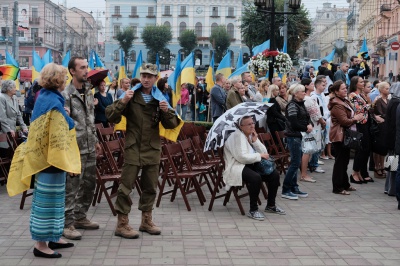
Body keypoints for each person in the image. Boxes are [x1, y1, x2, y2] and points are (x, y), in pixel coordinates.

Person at [6, 63, 81, 258]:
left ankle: (54, 237)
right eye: (64, 77)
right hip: (50, 160)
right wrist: (67, 116)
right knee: (46, 202)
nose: (66, 80)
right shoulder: (53, 101)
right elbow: (63, 127)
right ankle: (40, 245)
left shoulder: (47, 97)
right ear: (57, 80)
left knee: (56, 200)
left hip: (49, 158)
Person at [105, 63, 180, 239]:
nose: (146, 79)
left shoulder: (159, 98)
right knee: (125, 187)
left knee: (150, 187)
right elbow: (110, 115)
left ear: (155, 79)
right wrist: (123, 101)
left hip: (152, 149)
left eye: (150, 76)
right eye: (144, 76)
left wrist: (166, 111)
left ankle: (146, 221)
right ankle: (122, 224)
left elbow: (172, 125)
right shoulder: (131, 96)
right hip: (133, 148)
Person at [61, 57, 102, 240]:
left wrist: (95, 140)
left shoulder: (88, 91)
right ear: (72, 71)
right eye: (82, 67)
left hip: (89, 145)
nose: (87, 71)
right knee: (72, 187)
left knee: (89, 184)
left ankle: (80, 216)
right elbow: (63, 123)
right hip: (73, 148)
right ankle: (67, 224)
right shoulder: (66, 93)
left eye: (87, 67)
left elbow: (90, 120)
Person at [223, 115, 285, 220]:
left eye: (253, 123)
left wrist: (255, 141)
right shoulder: (237, 136)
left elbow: (264, 152)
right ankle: (253, 210)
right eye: (249, 124)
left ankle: (271, 205)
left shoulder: (250, 135)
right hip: (237, 166)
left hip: (250, 164)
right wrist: (259, 156)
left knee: (274, 174)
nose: (252, 126)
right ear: (241, 126)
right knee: (255, 177)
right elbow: (241, 157)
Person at [329, 80, 363, 195]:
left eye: (345, 88)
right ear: (336, 92)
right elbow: (344, 121)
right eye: (343, 89)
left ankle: (345, 184)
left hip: (346, 134)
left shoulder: (344, 100)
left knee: (345, 161)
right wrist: (356, 118)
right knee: (340, 162)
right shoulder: (337, 104)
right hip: (340, 135)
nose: (345, 90)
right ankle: (337, 187)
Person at [282, 84, 312, 200]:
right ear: (296, 93)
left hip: (299, 135)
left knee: (296, 162)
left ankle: (294, 187)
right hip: (293, 136)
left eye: (304, 91)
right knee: (295, 163)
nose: (304, 93)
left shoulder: (301, 104)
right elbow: (294, 123)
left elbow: (306, 117)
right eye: (302, 91)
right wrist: (306, 128)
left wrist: (309, 124)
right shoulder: (292, 105)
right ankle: (286, 189)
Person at [348, 76, 374, 184]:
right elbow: (358, 109)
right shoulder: (353, 95)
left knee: (366, 148)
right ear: (355, 84)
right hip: (360, 123)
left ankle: (360, 172)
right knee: (362, 148)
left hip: (366, 122)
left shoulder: (361, 95)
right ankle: (355, 172)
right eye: (361, 82)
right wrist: (369, 104)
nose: (363, 83)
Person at [301, 78, 325, 182]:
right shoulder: (308, 99)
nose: (313, 85)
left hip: (312, 124)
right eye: (311, 84)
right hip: (313, 125)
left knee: (311, 147)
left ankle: (309, 166)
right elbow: (315, 113)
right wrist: (322, 121)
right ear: (306, 86)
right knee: (312, 146)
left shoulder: (309, 98)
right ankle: (311, 166)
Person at [0, 80, 28, 151]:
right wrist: (8, 130)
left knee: (12, 150)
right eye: (14, 87)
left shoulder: (14, 97)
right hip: (4, 130)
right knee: (5, 151)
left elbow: (18, 114)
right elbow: (2, 117)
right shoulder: (2, 98)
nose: (16, 89)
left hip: (13, 130)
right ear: (8, 89)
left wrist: (24, 126)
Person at [372, 82, 390, 178]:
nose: (388, 90)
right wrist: (390, 116)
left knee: (383, 148)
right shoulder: (378, 100)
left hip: (386, 126)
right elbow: (379, 113)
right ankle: (377, 167)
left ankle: (382, 166)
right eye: (386, 88)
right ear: (381, 89)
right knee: (378, 147)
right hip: (380, 127)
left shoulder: (388, 100)